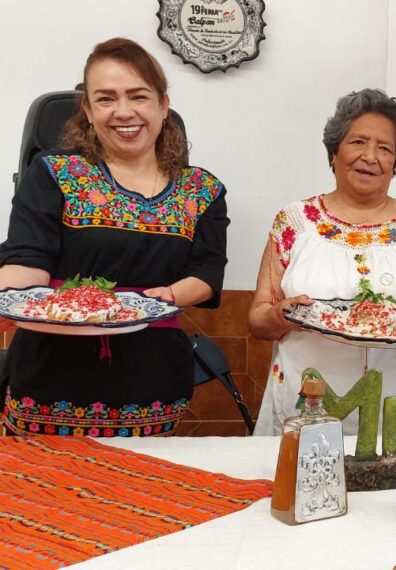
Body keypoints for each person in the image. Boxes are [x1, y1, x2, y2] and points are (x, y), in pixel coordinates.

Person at [0, 38, 229, 437]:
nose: (124, 112)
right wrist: (9, 297)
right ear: (87, 110)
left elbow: (207, 272)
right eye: (105, 99)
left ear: (163, 104)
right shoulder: (54, 173)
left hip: (153, 383)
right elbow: (26, 258)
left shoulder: (202, 189)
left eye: (138, 96)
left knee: (142, 497)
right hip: (49, 382)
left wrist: (165, 297)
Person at [249, 88, 396, 436]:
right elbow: (259, 318)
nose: (370, 156)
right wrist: (280, 315)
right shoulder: (296, 222)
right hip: (310, 402)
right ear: (334, 151)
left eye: (384, 149)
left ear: (395, 164)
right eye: (358, 142)